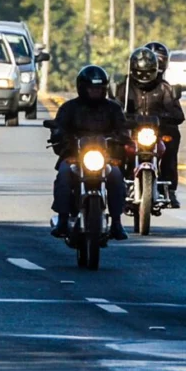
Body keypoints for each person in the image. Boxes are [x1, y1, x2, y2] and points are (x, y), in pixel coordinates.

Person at [50, 65, 130, 240]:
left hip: (105, 158)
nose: (95, 92)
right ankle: (62, 220)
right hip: (75, 158)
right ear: (82, 88)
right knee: (63, 175)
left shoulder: (113, 108)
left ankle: (116, 222)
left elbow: (123, 129)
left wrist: (121, 143)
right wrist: (62, 141)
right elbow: (59, 129)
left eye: (99, 89)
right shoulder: (69, 108)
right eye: (92, 88)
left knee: (116, 177)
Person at [125, 41, 185, 208]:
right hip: (131, 131)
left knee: (171, 140)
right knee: (114, 146)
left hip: (156, 132)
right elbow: (114, 107)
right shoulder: (126, 86)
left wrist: (165, 117)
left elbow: (178, 114)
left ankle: (169, 188)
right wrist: (122, 119)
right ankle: (117, 183)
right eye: (140, 72)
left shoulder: (164, 88)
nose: (144, 76)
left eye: (148, 72)